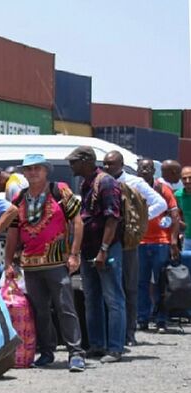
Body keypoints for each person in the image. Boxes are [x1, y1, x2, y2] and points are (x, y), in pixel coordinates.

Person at [3, 154, 85, 371]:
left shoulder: (60, 190)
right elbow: (12, 233)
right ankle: (47, 351)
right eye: (28, 169)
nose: (33, 173)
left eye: (37, 168)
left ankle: (75, 352)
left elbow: (77, 222)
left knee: (65, 307)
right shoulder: (19, 199)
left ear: (46, 170)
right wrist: (8, 262)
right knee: (39, 310)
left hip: (57, 261)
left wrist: (74, 254)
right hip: (30, 264)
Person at [67, 145, 126, 362]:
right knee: (92, 298)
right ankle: (97, 345)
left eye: (73, 161)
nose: (70, 165)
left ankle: (115, 348)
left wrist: (103, 249)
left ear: (86, 160)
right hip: (88, 248)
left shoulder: (106, 182)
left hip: (106, 249)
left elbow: (113, 218)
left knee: (113, 298)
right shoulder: (86, 183)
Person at [102, 151, 167, 345]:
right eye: (105, 164)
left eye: (111, 164)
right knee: (111, 289)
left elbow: (161, 203)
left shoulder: (134, 182)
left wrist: (140, 221)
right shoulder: (102, 181)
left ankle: (129, 334)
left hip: (127, 243)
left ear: (121, 165)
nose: (107, 168)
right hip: (107, 241)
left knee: (129, 287)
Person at [136, 158, 180, 333]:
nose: (145, 171)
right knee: (141, 283)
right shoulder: (134, 188)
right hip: (140, 242)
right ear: (137, 171)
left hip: (161, 242)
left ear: (154, 171)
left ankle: (161, 320)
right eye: (142, 168)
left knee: (162, 281)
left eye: (148, 168)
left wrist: (174, 241)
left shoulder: (163, 189)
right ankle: (142, 318)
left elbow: (175, 216)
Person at [178, 166, 191, 250]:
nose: (187, 181)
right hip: (187, 238)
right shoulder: (177, 195)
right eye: (184, 178)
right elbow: (177, 214)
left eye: (190, 178)